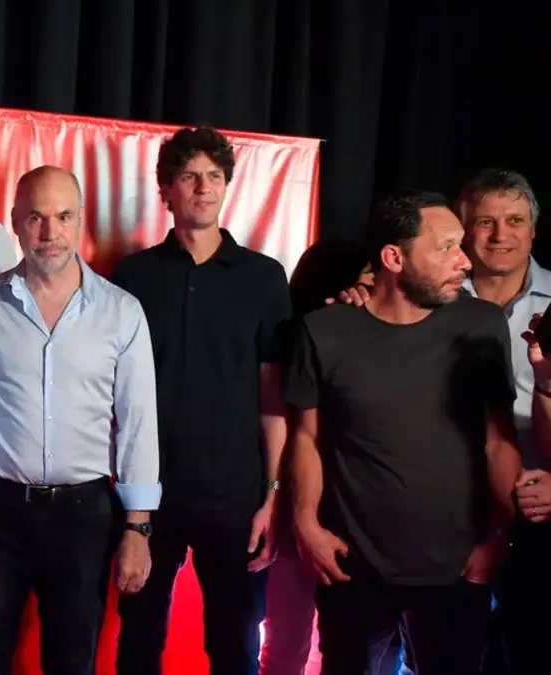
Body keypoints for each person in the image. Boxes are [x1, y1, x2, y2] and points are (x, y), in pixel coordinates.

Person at [286, 189, 522, 674]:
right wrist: (306, 523)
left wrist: (498, 537)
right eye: (446, 248)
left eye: (461, 245)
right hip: (353, 566)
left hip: (457, 569)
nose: (464, 261)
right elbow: (307, 437)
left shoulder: (482, 324)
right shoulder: (325, 330)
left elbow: (498, 439)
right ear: (394, 258)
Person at [333, 169, 551, 674]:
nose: (500, 235)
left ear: (534, 230)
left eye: (515, 220)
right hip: (442, 516)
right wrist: (364, 302)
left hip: (538, 510)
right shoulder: (422, 287)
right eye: (485, 222)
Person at [0, 166, 161, 675]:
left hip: (84, 515)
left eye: (63, 216)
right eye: (36, 217)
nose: (50, 232)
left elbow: (138, 423)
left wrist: (138, 526)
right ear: (14, 222)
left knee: (74, 661)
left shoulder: (121, 312)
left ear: (80, 220)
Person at [112, 126, 291, 675]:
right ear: (167, 190)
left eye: (214, 176)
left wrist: (273, 496)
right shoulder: (134, 276)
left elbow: (274, 398)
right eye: (190, 176)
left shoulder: (264, 277)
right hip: (148, 493)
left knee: (235, 646)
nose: (204, 187)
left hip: (234, 495)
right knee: (138, 640)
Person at [260, 239, 373, 675]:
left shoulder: (382, 332)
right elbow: (281, 422)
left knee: (350, 645)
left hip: (358, 509)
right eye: (367, 277)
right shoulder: (296, 337)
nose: (378, 286)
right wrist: (274, 500)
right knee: (288, 640)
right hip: (300, 504)